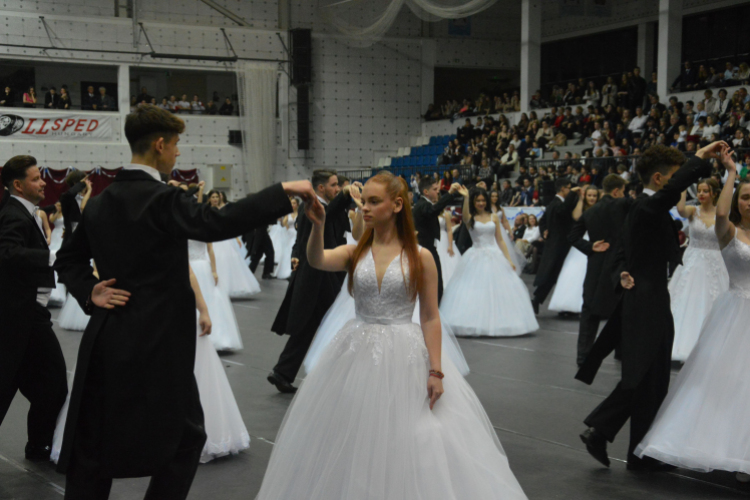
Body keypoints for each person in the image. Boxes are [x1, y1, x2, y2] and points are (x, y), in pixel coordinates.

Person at [53, 104, 311, 499]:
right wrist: (282, 191)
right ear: (159, 145)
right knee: (187, 437)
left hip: (108, 336)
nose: (178, 155)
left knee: (93, 443)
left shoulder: (101, 202)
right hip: (158, 342)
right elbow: (218, 222)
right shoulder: (163, 199)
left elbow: (67, 259)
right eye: (176, 146)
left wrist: (90, 291)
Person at [255, 171, 528, 500]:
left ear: (397, 205)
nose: (364, 209)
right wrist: (317, 226)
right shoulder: (355, 251)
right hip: (356, 350)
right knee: (354, 433)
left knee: (407, 435)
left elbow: (430, 316)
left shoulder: (421, 257)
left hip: (405, 353)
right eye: (363, 202)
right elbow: (317, 259)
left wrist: (436, 370)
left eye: (373, 202)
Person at [576, 141, 722, 472]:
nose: (678, 187)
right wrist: (697, 159)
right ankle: (626, 445)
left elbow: (621, 251)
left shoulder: (641, 209)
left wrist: (622, 273)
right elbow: (669, 195)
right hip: (647, 303)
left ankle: (625, 444)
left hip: (649, 299)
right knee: (647, 376)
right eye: (672, 179)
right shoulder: (645, 207)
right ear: (659, 179)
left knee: (649, 377)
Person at [634, 147, 750, 478]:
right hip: (736, 314)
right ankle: (722, 448)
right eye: (745, 197)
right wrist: (731, 174)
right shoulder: (729, 232)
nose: (749, 202)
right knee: (726, 383)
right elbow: (723, 215)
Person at [0, 156, 68, 462]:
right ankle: (39, 445)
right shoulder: (14, 214)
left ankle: (39, 445)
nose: (43, 182)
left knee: (49, 387)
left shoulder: (24, 212)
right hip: (20, 316)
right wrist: (49, 259)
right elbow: (8, 252)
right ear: (18, 185)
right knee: (48, 385)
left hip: (29, 316)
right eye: (36, 178)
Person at [268, 170, 354, 393]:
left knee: (309, 325)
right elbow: (326, 217)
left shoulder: (323, 207)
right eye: (334, 185)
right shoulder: (315, 207)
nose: (337, 188)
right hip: (319, 275)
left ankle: (283, 372)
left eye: (338, 185)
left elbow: (303, 237)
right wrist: (346, 194)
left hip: (322, 274)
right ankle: (339, 375)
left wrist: (295, 253)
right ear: (321, 188)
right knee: (341, 321)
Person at [440, 186, 539, 337]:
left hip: (494, 255)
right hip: (475, 255)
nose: (481, 203)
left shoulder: (493, 217)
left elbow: (499, 239)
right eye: (477, 200)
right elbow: (465, 215)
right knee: (475, 290)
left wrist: (508, 259)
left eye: (482, 200)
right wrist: (466, 197)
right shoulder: (470, 219)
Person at [568, 174, 629, 366]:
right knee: (623, 310)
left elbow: (572, 237)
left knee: (589, 312)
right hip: (621, 265)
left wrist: (590, 247)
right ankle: (621, 352)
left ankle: (583, 356)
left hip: (597, 264)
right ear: (617, 190)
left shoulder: (591, 212)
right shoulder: (625, 206)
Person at [669, 179, 729, 362]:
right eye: (700, 191)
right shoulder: (693, 211)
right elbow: (680, 210)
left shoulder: (722, 214)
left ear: (714, 193)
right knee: (687, 300)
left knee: (714, 301)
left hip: (716, 262)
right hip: (693, 262)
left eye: (705, 191)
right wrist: (683, 187)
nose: (701, 194)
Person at [548, 185, 600, 315]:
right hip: (581, 244)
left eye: (594, 196)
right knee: (572, 273)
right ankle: (569, 305)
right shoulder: (581, 206)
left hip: (595, 242)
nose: (592, 198)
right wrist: (581, 200)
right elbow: (576, 217)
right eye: (589, 195)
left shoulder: (600, 208)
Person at [531, 178, 580, 314]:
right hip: (559, 246)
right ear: (563, 189)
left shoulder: (554, 203)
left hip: (559, 245)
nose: (570, 191)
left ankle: (538, 300)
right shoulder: (557, 203)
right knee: (554, 275)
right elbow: (561, 212)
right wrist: (544, 231)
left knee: (555, 275)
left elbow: (543, 221)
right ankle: (538, 300)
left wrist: (544, 230)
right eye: (569, 188)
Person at [411, 176, 461, 302]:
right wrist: (449, 194)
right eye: (435, 189)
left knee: (435, 283)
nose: (438, 191)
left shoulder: (423, 205)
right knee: (434, 284)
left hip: (428, 248)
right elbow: (433, 211)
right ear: (426, 192)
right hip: (426, 249)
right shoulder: (423, 205)